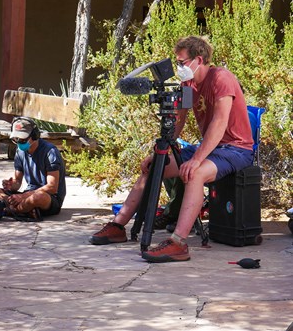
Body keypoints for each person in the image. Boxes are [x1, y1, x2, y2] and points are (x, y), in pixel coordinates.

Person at [89, 36, 254, 263]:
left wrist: (196, 159)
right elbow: (179, 120)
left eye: (182, 62)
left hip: (236, 148)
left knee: (194, 173)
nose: (179, 68)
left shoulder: (221, 78)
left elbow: (219, 123)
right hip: (212, 148)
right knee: (154, 166)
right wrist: (162, 150)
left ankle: (178, 242)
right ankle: (118, 225)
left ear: (199, 59)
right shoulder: (188, 84)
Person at [0, 117, 66, 219]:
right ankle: (24, 210)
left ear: (34, 136)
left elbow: (52, 188)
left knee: (37, 197)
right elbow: (17, 183)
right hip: (26, 195)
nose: (18, 143)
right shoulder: (20, 151)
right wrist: (11, 185)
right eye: (15, 139)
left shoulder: (50, 152)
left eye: (22, 139)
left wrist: (22, 196)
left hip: (49, 198)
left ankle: (9, 210)